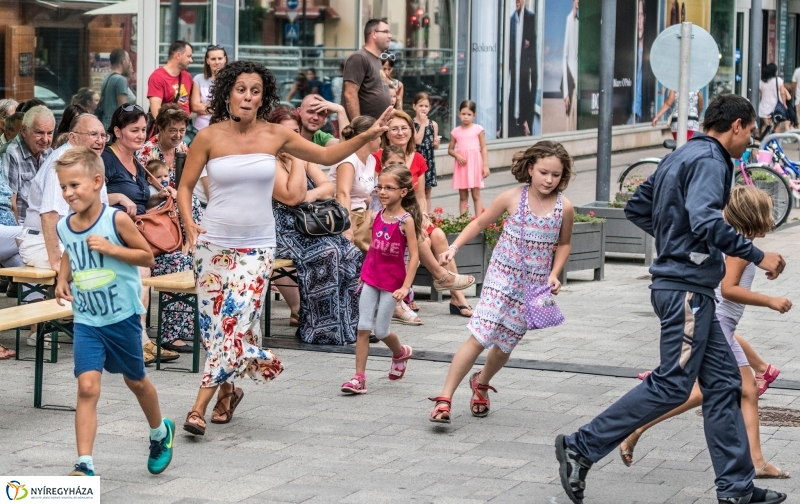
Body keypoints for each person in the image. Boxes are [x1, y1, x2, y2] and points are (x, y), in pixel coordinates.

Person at [555, 94, 788, 504]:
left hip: (688, 287)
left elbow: (638, 208)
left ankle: (736, 489)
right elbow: (705, 219)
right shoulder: (714, 161)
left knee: (724, 383)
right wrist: (756, 253)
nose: (749, 142)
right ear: (735, 125)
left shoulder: (682, 155)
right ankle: (581, 445)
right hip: (685, 290)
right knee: (672, 385)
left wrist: (675, 239)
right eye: (750, 132)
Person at [176, 60, 392, 436]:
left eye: (255, 90)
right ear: (227, 93)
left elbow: (325, 156)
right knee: (216, 331)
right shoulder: (209, 137)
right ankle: (229, 392)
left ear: (264, 96)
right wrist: (189, 224)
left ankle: (198, 408)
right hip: (211, 246)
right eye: (241, 89)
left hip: (256, 247)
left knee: (234, 323)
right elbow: (184, 186)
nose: (247, 96)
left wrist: (366, 134)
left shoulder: (276, 134)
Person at [618, 186, 791, 480]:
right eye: (767, 212)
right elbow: (729, 290)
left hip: (720, 324)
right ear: (755, 217)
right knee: (711, 391)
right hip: (718, 323)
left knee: (744, 390)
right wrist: (770, 301)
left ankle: (756, 460)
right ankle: (636, 427)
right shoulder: (741, 249)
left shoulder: (737, 243)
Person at [429, 141, 574, 423]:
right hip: (500, 278)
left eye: (556, 175)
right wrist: (453, 248)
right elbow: (478, 223)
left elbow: (565, 243)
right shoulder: (512, 197)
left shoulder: (563, 207)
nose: (549, 179)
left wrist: (555, 274)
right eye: (544, 172)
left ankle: (481, 383)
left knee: (506, 343)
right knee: (480, 335)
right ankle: (444, 398)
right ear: (530, 168)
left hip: (531, 288)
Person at [53, 146, 174, 477]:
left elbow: (147, 257)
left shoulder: (115, 219)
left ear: (96, 182)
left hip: (122, 317)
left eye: (74, 185)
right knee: (87, 387)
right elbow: (70, 252)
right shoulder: (65, 225)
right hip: (88, 321)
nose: (68, 193)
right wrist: (62, 278)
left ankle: (159, 432)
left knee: (136, 382)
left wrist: (111, 249)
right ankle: (84, 464)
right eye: (63, 187)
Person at [268, 106, 362, 344]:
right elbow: (291, 197)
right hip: (283, 229)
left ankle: (347, 326)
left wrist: (310, 196)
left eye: (296, 132)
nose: (293, 138)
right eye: (287, 132)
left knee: (350, 252)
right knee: (327, 253)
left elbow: (327, 187)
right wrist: (298, 164)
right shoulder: (270, 162)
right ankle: (319, 329)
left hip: (309, 224)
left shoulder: (301, 155)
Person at [18, 114, 112, 348]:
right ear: (73, 137)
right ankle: (44, 329)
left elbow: (102, 215)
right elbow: (49, 215)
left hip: (72, 240)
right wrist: (56, 261)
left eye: (102, 135)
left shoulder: (92, 164)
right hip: (40, 241)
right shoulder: (61, 163)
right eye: (93, 134)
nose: (100, 140)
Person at [103, 104, 180, 365]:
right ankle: (140, 340)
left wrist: (158, 196)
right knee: (143, 269)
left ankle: (166, 334)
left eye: (143, 129)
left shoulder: (136, 160)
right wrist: (117, 196)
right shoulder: (106, 159)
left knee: (180, 262)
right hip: (110, 233)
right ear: (117, 131)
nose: (140, 135)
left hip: (135, 232)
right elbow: (91, 199)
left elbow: (139, 203)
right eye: (133, 129)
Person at [340, 164, 421, 395]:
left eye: (389, 188)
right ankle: (359, 378)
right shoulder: (377, 215)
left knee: (382, 330)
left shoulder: (406, 221)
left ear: (403, 192)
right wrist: (363, 276)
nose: (382, 192)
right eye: (380, 187)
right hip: (370, 279)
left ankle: (400, 353)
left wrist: (405, 287)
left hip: (392, 283)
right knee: (363, 326)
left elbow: (414, 257)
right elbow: (373, 251)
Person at [379, 146, 476, 319]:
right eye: (391, 163)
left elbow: (419, 196)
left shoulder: (415, 161)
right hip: (388, 222)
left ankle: (456, 296)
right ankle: (442, 277)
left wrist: (422, 215)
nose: (401, 132)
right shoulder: (382, 184)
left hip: (408, 216)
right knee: (420, 237)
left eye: (400, 163)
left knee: (437, 234)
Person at [135, 103, 200, 355]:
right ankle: (170, 333)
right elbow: (143, 193)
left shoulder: (185, 151)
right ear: (159, 128)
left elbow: (193, 187)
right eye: (172, 130)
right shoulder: (146, 153)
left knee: (197, 260)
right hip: (157, 223)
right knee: (177, 263)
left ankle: (182, 327)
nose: (177, 135)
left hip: (178, 221)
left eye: (182, 130)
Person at [332, 116, 381, 252]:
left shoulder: (371, 159)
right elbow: (342, 194)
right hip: (344, 217)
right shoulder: (348, 159)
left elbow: (364, 194)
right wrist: (346, 227)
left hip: (361, 216)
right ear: (371, 137)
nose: (381, 140)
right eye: (380, 136)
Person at [4, 106, 55, 224]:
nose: (45, 139)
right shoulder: (10, 153)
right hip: (22, 226)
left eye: (50, 133)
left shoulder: (49, 152)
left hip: (44, 222)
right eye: (39, 132)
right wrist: (18, 237)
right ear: (23, 130)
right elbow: (10, 205)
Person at [343, 19, 392, 121]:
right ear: (374, 34)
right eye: (386, 32)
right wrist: (359, 127)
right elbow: (350, 94)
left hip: (377, 130)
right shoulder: (359, 57)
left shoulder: (377, 60)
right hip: (365, 131)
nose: (390, 36)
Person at [449, 100, 490, 216]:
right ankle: (463, 221)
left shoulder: (478, 129)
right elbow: (450, 149)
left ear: (474, 115)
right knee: (463, 196)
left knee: (476, 194)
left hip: (475, 166)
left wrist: (485, 165)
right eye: (463, 114)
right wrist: (457, 155)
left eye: (469, 114)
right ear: (459, 114)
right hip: (462, 166)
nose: (466, 117)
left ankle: (479, 220)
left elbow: (483, 148)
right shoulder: (455, 132)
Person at [508, 0, 538, 137]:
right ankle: (515, 120)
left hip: (526, 67)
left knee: (525, 92)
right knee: (514, 92)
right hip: (514, 66)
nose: (517, 2)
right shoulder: (511, 19)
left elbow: (534, 45)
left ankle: (525, 122)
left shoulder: (531, 17)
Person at [147, 40, 193, 117]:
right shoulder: (157, 77)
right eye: (188, 56)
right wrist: (163, 127)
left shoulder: (187, 77)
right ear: (178, 55)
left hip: (185, 125)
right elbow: (155, 108)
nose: (191, 60)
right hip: (168, 126)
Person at [412, 92, 440, 211]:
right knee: (417, 191)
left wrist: (436, 144)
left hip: (428, 160)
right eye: (420, 105)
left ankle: (427, 215)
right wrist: (423, 124)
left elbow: (434, 145)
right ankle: (417, 215)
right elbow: (417, 141)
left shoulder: (433, 124)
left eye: (426, 106)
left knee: (428, 191)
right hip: (416, 160)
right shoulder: (411, 123)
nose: (423, 109)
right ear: (414, 107)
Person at [191, 45, 228, 131]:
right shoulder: (198, 79)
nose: (217, 62)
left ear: (225, 59)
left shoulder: (232, 81)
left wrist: (205, 107)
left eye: (220, 58)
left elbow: (232, 107)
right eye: (213, 59)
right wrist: (220, 109)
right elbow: (195, 107)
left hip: (224, 129)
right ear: (207, 61)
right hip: (202, 128)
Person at [98, 48, 136, 130]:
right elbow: (123, 107)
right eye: (128, 60)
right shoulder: (120, 79)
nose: (129, 63)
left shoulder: (107, 78)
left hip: (105, 123)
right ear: (123, 61)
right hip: (115, 125)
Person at [758, 63, 791, 139]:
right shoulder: (778, 80)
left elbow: (761, 94)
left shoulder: (761, 82)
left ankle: (762, 142)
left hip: (764, 106)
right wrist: (784, 104)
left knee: (766, 126)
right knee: (776, 125)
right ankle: (776, 144)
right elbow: (782, 93)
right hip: (775, 107)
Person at [563, 0, 578, 131]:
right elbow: (564, 56)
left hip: (579, 81)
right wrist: (565, 93)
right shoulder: (569, 20)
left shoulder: (580, 23)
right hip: (570, 79)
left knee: (576, 120)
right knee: (569, 119)